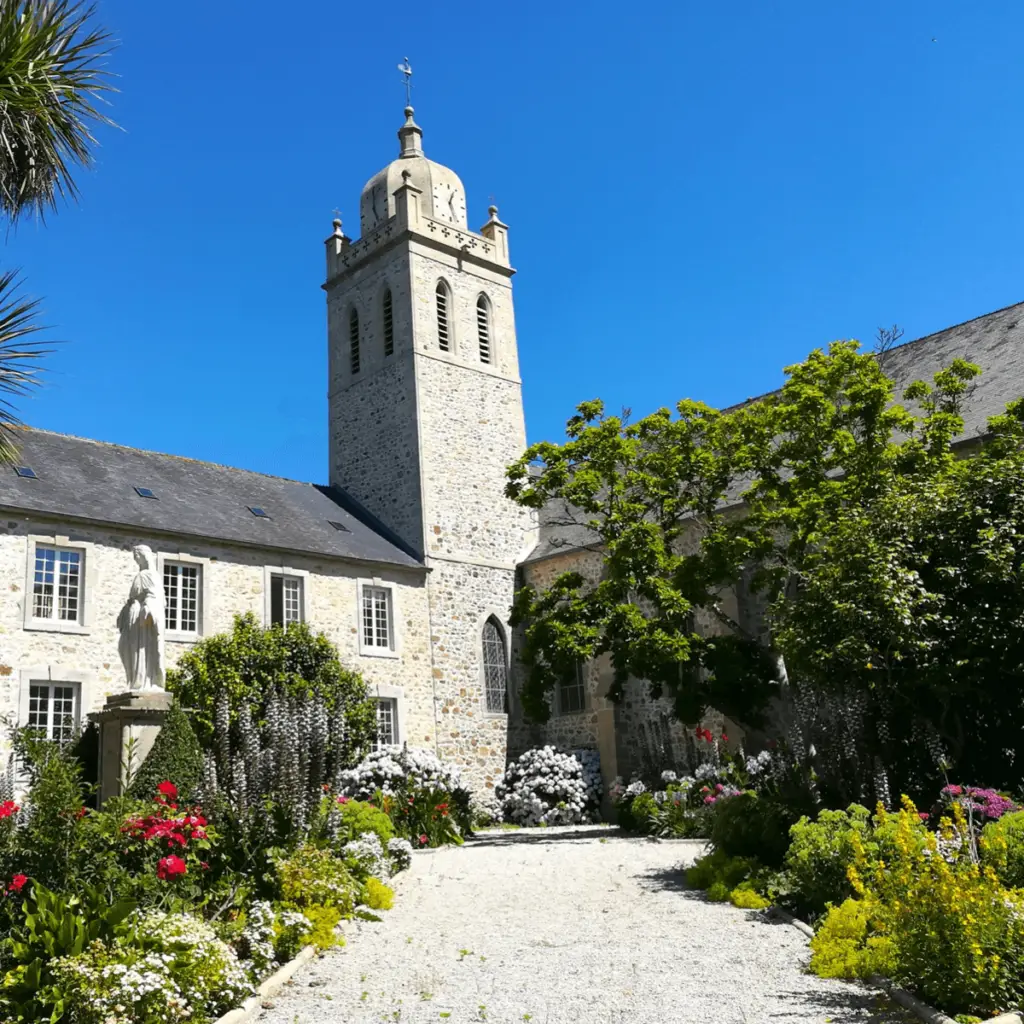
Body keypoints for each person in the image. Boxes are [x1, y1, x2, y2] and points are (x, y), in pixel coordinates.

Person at [117, 544, 165, 690]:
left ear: (144, 556)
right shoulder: (141, 575)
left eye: (137, 555)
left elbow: (155, 595)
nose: (136, 558)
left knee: (140, 650)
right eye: (134, 556)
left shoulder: (149, 575)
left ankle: (141, 681)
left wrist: (147, 607)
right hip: (133, 618)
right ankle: (134, 681)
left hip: (142, 620)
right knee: (128, 650)